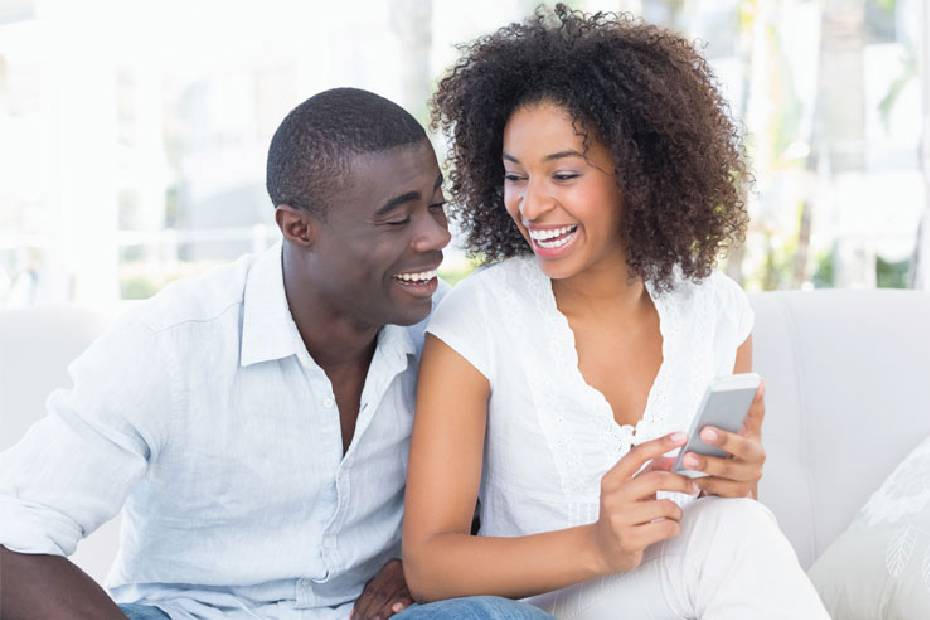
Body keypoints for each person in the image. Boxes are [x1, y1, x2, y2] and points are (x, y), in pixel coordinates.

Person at [0, 87, 533, 620]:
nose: (436, 236)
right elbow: (13, 541)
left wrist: (420, 561)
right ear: (297, 228)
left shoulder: (450, 334)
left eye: (436, 206)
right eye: (398, 220)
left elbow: (493, 500)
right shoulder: (169, 345)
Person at [401, 6, 830, 619]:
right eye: (515, 176)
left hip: (680, 598)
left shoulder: (716, 310)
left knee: (737, 524)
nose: (532, 204)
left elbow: (724, 542)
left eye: (565, 174)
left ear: (639, 171)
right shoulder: (478, 321)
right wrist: (598, 546)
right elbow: (428, 567)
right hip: (541, 611)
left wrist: (736, 481)